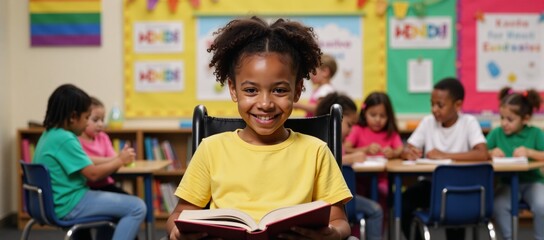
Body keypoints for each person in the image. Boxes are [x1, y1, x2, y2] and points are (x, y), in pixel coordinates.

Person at [166, 16, 352, 240]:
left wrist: (333, 233)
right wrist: (177, 233)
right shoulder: (211, 149)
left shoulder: (317, 151)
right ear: (233, 90)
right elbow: (179, 216)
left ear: (298, 90)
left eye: (280, 90)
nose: (265, 104)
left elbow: (339, 221)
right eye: (251, 91)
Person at [33, 84, 146, 240]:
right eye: (86, 117)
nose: (87, 123)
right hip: (70, 203)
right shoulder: (65, 138)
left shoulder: (49, 135)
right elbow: (93, 174)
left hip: (55, 202)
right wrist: (119, 160)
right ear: (73, 117)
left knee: (119, 209)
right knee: (137, 207)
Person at [400, 77, 489, 240]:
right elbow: (409, 147)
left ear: (457, 105)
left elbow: (483, 154)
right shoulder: (428, 122)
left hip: (459, 188)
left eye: (440, 105)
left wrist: (444, 155)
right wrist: (407, 152)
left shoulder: (469, 122)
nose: (434, 109)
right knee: (402, 203)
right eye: (432, 104)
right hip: (430, 186)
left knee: (455, 218)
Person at [316, 92, 384, 240]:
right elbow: (327, 163)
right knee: (376, 210)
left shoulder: (340, 143)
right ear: (334, 118)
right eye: (349, 124)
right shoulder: (319, 142)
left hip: (341, 202)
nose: (352, 130)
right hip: (333, 202)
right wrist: (349, 158)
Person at [488, 87, 544, 240]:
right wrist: (490, 153)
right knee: (498, 205)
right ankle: (510, 237)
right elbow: (480, 152)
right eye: (502, 118)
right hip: (507, 184)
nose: (504, 123)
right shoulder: (496, 133)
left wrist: (530, 152)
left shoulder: (536, 133)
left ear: (525, 118)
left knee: (542, 205)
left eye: (510, 119)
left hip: (533, 182)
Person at [344, 92, 402, 209]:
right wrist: (365, 149)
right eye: (373, 115)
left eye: (382, 116)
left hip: (382, 181)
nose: (378, 120)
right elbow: (346, 148)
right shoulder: (357, 129)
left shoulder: (391, 133)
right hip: (358, 180)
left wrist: (393, 153)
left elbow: (400, 149)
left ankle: (382, 225)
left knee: (384, 195)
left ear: (389, 117)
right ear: (364, 113)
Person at [79, 96, 136, 194]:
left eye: (102, 119)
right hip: (86, 188)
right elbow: (86, 160)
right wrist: (120, 158)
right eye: (95, 120)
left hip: (105, 185)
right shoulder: (75, 140)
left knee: (131, 199)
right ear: (84, 118)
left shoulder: (103, 137)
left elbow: (113, 157)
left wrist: (123, 157)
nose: (101, 124)